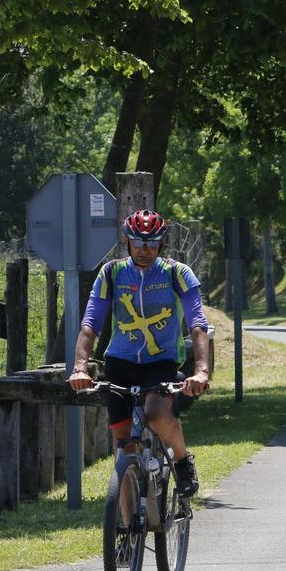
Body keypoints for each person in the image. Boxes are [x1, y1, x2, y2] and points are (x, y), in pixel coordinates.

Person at [68, 209, 211, 498]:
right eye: (137, 242)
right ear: (127, 242)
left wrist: (202, 371)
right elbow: (90, 324)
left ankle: (182, 461)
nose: (144, 249)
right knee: (123, 448)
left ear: (161, 243)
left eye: (152, 243)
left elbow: (197, 323)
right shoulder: (112, 273)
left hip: (161, 361)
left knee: (156, 414)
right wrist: (80, 367)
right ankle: (123, 537)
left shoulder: (177, 273)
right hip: (120, 362)